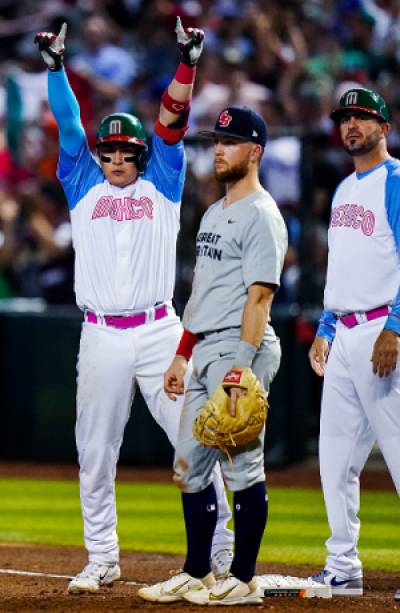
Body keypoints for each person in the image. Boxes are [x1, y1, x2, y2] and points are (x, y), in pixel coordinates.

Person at [34, 20, 234, 594]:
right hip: (100, 334)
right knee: (95, 453)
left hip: (159, 332)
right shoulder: (81, 183)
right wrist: (55, 68)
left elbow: (172, 123)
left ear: (141, 154)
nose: (117, 157)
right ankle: (102, 557)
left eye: (126, 150)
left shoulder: (162, 182)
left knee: (194, 442)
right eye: (110, 149)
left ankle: (219, 554)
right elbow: (70, 126)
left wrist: (187, 64)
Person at [138, 105, 288, 606]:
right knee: (189, 466)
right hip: (203, 345)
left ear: (255, 152)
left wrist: (243, 365)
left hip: (241, 346)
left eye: (230, 141)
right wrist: (183, 353)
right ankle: (197, 571)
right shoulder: (213, 211)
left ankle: (243, 578)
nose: (218, 148)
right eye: (216, 140)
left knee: (243, 465)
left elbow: (260, 297)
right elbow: (201, 292)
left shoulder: (263, 213)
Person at [308, 88, 400, 596]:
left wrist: (396, 326)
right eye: (345, 118)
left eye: (362, 117)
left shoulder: (396, 179)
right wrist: (325, 327)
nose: (351, 126)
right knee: (335, 458)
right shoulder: (344, 189)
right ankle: (342, 566)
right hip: (343, 333)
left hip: (381, 331)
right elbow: (339, 267)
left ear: (383, 126)